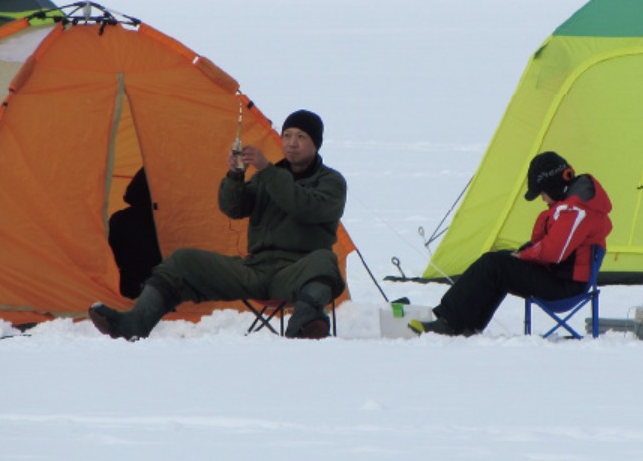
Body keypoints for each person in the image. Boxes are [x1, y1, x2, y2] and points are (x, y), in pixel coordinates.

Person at [88, 109, 346, 340]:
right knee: (182, 261)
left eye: (301, 137)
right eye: (287, 135)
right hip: (255, 269)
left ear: (316, 144)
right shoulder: (269, 177)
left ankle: (304, 327)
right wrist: (235, 176)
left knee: (324, 259)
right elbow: (233, 209)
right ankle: (134, 323)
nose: (292, 143)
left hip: (296, 271)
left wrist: (267, 170)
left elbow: (305, 207)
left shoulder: (331, 182)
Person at [410, 151, 611, 337]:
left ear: (552, 185)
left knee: (494, 265)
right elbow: (552, 245)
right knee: (500, 261)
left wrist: (522, 256)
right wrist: (521, 253)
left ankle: (448, 323)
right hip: (560, 279)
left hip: (565, 288)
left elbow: (552, 252)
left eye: (542, 192)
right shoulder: (576, 206)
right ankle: (467, 326)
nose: (542, 198)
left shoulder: (576, 211)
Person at [108, 168, 162, 298]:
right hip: (168, 294)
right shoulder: (174, 222)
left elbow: (111, 258)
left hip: (130, 292)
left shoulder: (121, 219)